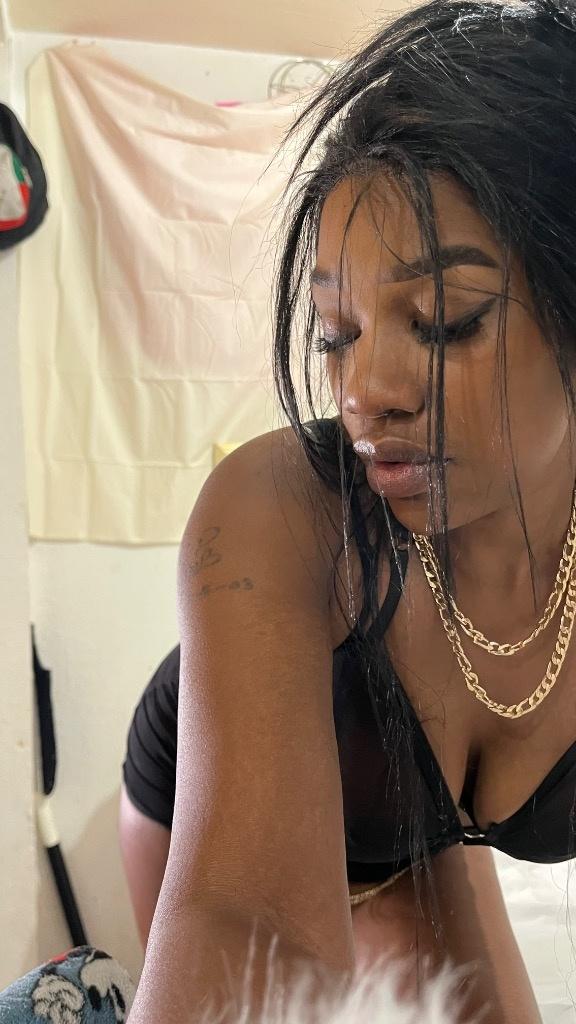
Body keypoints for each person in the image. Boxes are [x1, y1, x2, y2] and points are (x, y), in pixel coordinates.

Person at [123, 1, 576, 1021]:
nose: (365, 390)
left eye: (444, 320)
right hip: (208, 783)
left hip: (426, 818)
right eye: (337, 333)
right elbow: (246, 926)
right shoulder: (285, 508)